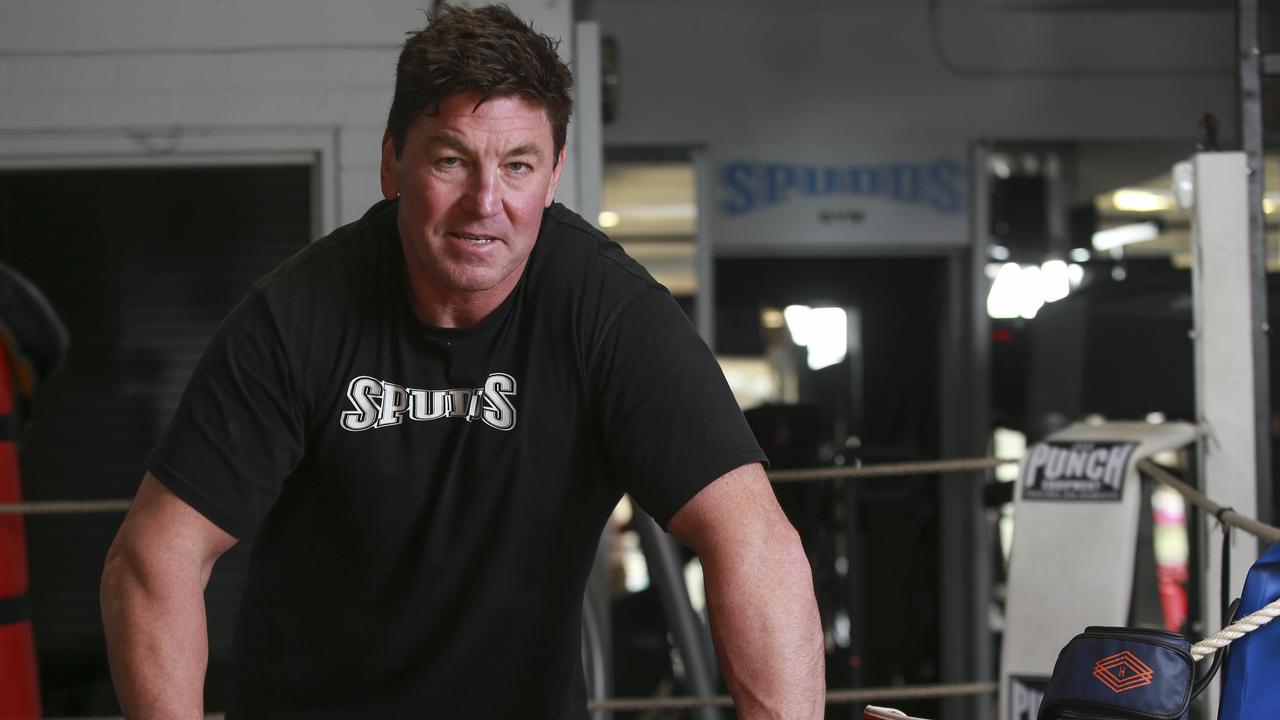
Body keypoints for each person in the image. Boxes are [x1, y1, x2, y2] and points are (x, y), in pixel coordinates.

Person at [100, 5, 824, 718]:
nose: (486, 202)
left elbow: (754, 542)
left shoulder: (611, 314)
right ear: (394, 163)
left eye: (517, 165)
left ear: (553, 175)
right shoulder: (296, 318)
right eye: (451, 160)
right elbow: (153, 560)